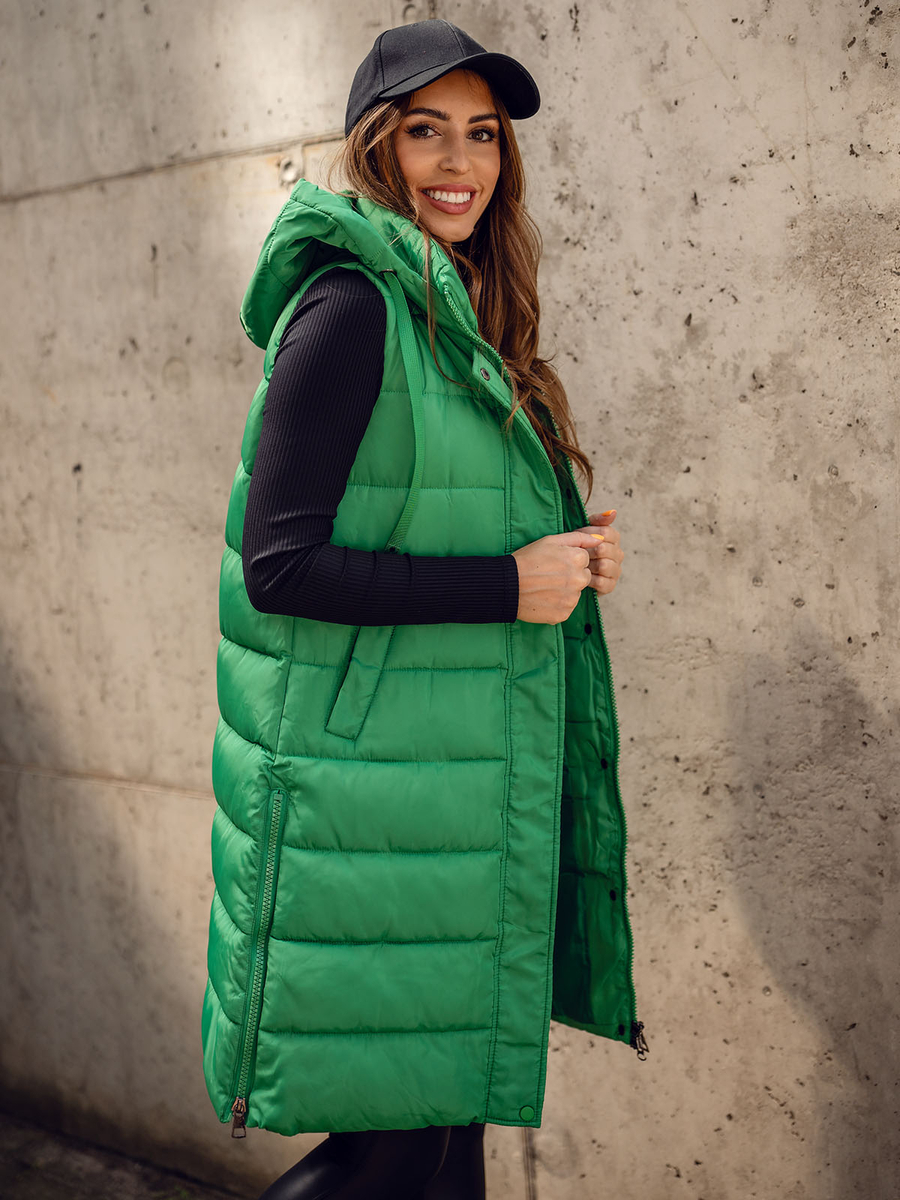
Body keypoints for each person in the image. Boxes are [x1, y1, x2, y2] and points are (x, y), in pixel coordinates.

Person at [200, 18, 646, 1200]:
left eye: (483, 135)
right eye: (426, 132)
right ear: (376, 149)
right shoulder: (353, 306)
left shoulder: (454, 312)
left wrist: (562, 563)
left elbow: (436, 523)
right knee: (396, 1156)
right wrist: (507, 584)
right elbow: (280, 565)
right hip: (371, 804)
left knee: (443, 1148)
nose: (460, 163)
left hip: (444, 790)